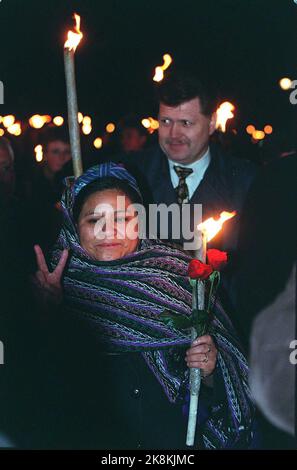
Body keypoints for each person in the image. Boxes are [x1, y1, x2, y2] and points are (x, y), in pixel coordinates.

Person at [33, 162, 255, 450]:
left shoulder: (179, 276)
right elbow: (34, 397)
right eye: (93, 220)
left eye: (122, 219)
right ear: (74, 227)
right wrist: (45, 319)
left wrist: (211, 370)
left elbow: (228, 377)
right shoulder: (51, 287)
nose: (108, 231)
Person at [26, 128, 72, 252]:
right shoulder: (31, 183)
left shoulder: (72, 181)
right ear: (45, 154)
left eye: (66, 152)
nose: (62, 157)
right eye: (56, 152)